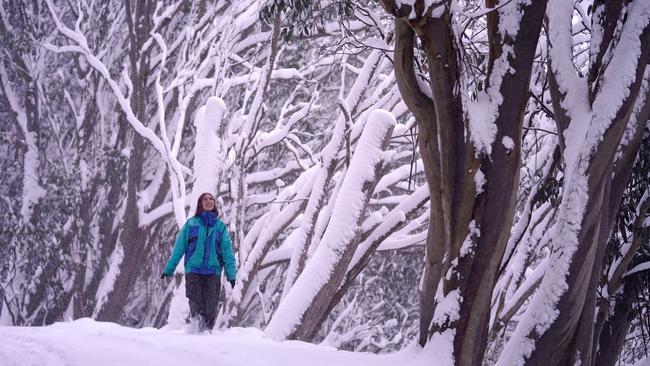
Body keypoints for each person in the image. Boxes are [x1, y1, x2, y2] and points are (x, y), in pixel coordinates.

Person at [161, 192, 237, 332]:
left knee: (211, 305)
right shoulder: (191, 224)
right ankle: (194, 328)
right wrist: (169, 269)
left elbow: (228, 252)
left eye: (211, 199)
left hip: (213, 272)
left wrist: (231, 275)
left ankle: (206, 333)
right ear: (200, 204)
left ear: (214, 204)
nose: (208, 201)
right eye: (205, 199)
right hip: (193, 270)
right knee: (195, 301)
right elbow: (179, 248)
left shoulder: (220, 228)